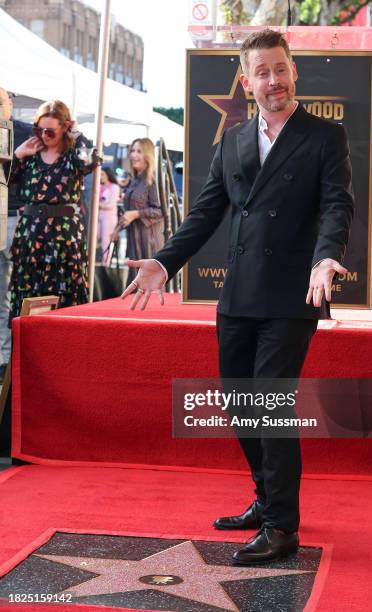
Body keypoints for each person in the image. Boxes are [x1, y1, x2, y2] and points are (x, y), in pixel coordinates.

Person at [122, 30, 354, 565]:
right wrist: (163, 261)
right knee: (239, 403)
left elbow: (337, 206)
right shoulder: (232, 142)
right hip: (239, 294)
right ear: (246, 83)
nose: (273, 81)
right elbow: (205, 213)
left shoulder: (325, 136)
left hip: (293, 292)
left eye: (281, 69)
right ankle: (265, 497)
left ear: (293, 71)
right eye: (262, 73)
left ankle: (282, 527)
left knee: (270, 405)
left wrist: (326, 258)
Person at [8, 99, 98, 321]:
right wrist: (18, 154)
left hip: (64, 236)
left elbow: (91, 161)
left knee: (65, 294)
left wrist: (76, 133)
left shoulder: (73, 156)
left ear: (65, 127)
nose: (43, 135)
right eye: (39, 129)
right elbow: (3, 180)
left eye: (50, 131)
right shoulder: (29, 155)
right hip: (31, 235)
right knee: (29, 296)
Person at [0, 89, 32, 382]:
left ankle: (6, 355)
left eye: (1, 100)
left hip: (13, 217)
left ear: (11, 101)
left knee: (11, 289)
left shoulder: (24, 130)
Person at [122, 138, 164, 285]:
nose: (133, 155)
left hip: (149, 242)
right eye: (132, 150)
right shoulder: (136, 179)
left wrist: (136, 214)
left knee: (148, 287)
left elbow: (160, 211)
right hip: (135, 240)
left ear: (148, 155)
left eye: (139, 151)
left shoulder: (152, 180)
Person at [98, 166, 120, 264]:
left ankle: (105, 265)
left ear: (108, 175)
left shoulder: (115, 187)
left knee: (106, 242)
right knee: (93, 238)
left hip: (109, 218)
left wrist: (98, 205)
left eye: (102, 174)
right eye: (100, 174)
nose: (101, 176)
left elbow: (111, 204)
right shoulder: (98, 186)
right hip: (98, 217)